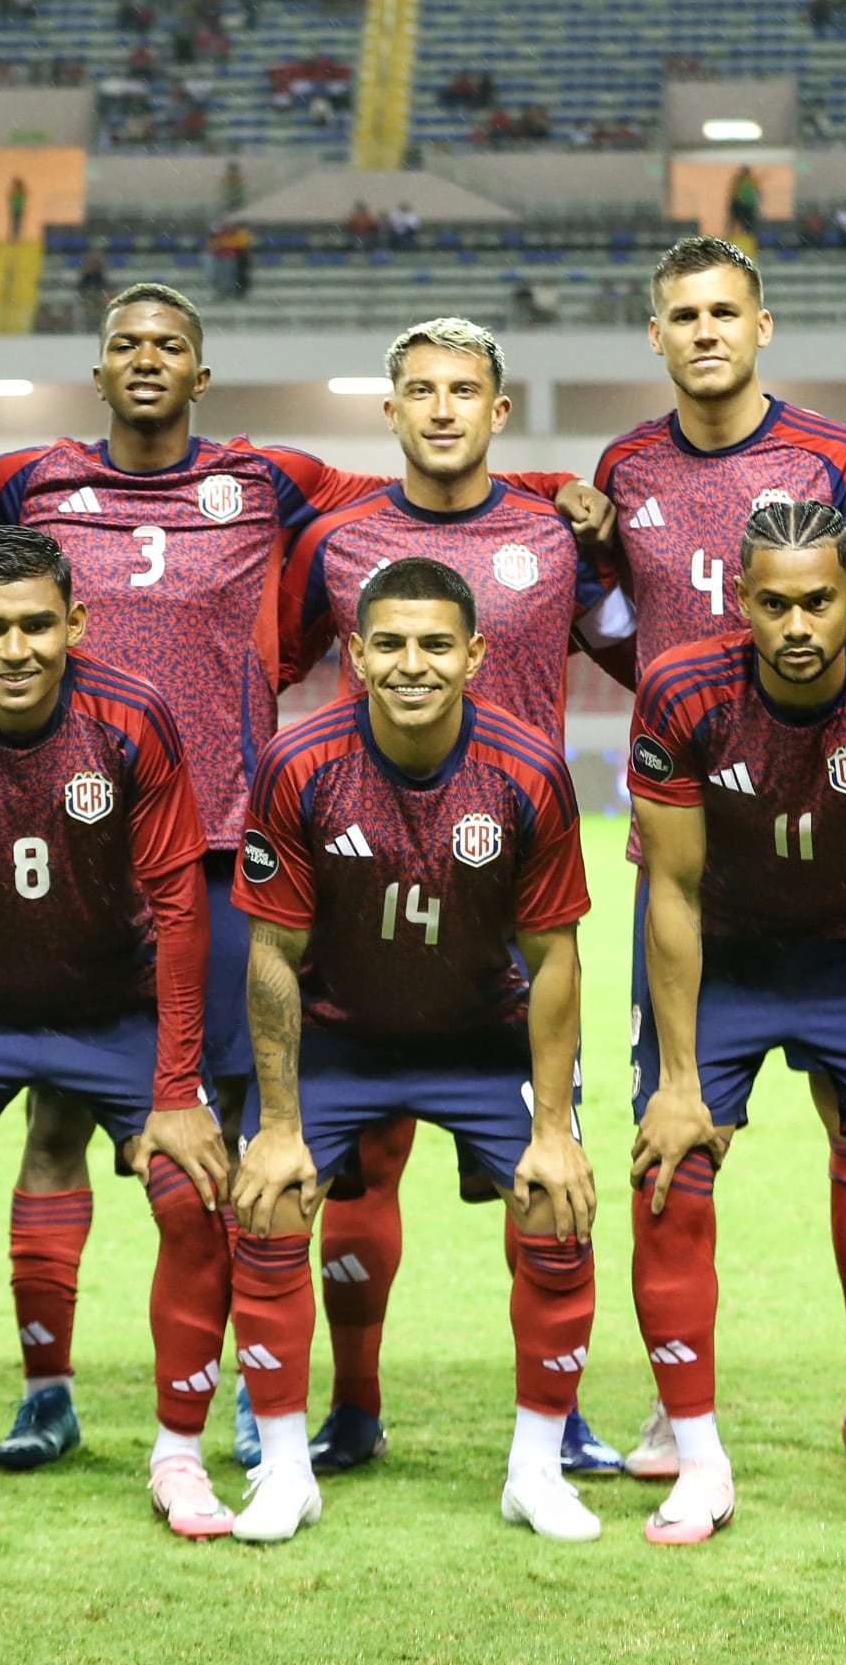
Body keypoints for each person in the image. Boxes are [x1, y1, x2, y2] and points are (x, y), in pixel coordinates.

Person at [0, 284, 604, 1472]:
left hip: (223, 853)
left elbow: (409, 487)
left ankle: (238, 1391)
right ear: (97, 367)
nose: (146, 361)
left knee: (222, 1130)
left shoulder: (272, 484)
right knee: (55, 1129)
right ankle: (47, 1391)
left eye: (170, 345)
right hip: (57, 851)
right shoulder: (25, 486)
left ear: (200, 373)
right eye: (125, 344)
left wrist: (539, 490)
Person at [581, 236, 846, 1483]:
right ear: (655, 335)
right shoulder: (624, 469)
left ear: (763, 326)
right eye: (681, 314)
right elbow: (616, 631)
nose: (703, 331)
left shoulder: (838, 463)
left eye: (724, 312)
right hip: (695, 849)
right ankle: (673, 1411)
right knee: (676, 1139)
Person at [273, 317, 631, 1476]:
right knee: (358, 1168)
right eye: (419, 391)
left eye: (463, 390)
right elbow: (271, 658)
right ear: (389, 412)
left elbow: (633, 641)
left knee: (544, 1171)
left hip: (512, 890)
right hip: (363, 885)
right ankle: (354, 1409)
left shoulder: (554, 532)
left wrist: (570, 494)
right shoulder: (337, 540)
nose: (440, 409)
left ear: (498, 410)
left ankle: (557, 1423)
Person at [0, 525, 237, 1539]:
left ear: (76, 623)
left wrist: (177, 1090)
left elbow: (181, 905)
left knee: (195, 1198)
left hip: (112, 1008)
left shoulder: (131, 718)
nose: (14, 649)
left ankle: (180, 1458)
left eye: (34, 625)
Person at [625, 496, 846, 1549]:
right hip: (726, 953)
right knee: (668, 1175)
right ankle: (698, 1460)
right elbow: (672, 893)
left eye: (818, 601)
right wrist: (678, 1082)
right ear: (742, 602)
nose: (797, 625)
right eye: (774, 604)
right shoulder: (682, 692)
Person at [231, 557, 600, 1545]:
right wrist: (274, 1127)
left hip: (485, 1042)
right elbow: (273, 956)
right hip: (342, 1040)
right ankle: (283, 1472)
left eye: (436, 643)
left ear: (476, 653)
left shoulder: (527, 768)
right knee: (265, 1200)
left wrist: (556, 1129)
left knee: (558, 1207)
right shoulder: (299, 763)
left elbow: (554, 957)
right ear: (353, 654)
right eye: (388, 643)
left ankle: (535, 1471)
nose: (412, 664)